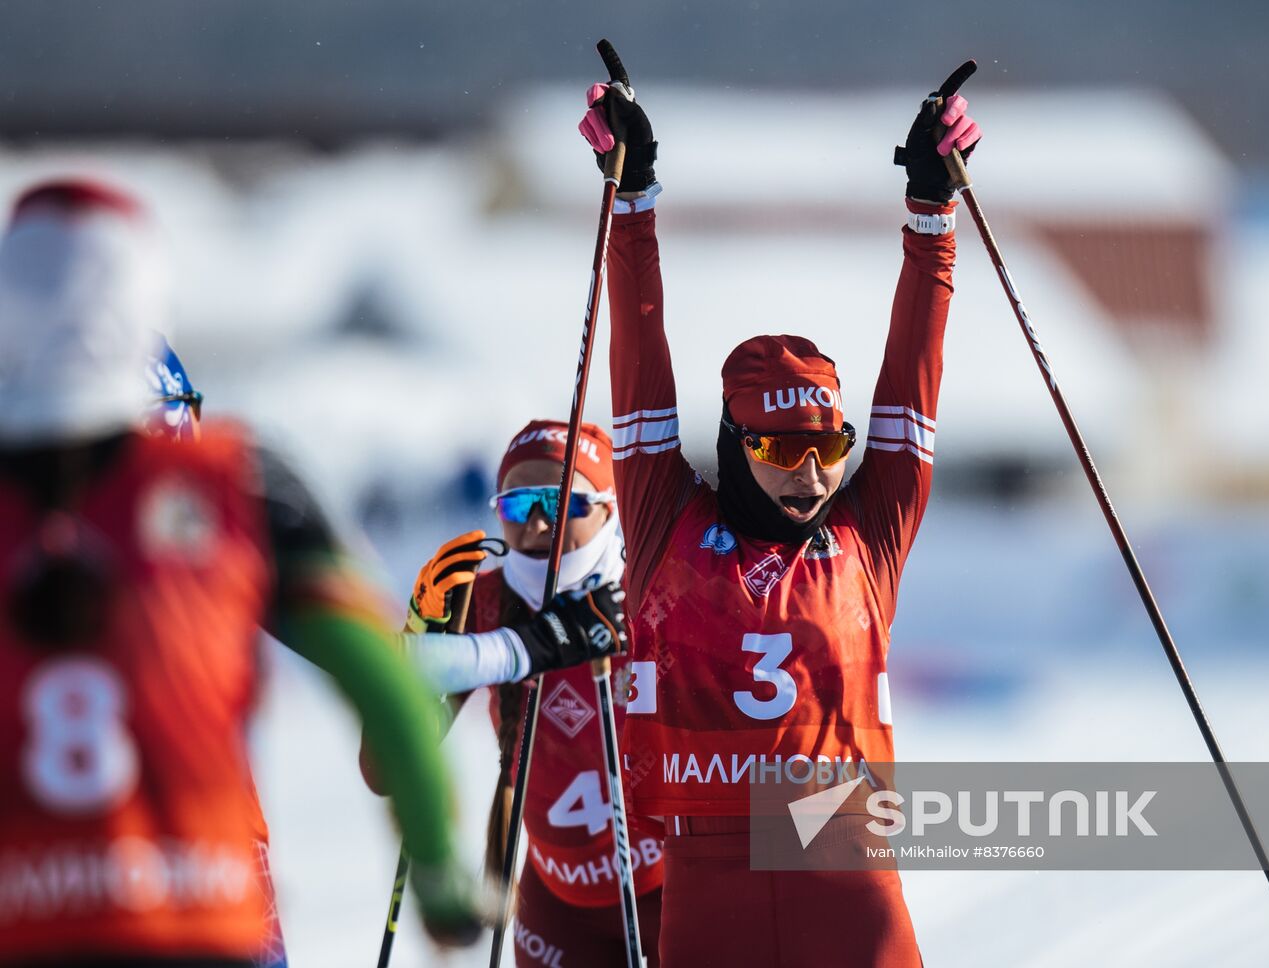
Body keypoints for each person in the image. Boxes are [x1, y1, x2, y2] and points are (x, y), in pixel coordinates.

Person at [0, 179, 482, 967]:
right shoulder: (234, 480)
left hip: (29, 913)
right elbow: (387, 687)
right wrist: (435, 864)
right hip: (206, 901)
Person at [579, 74, 982, 966]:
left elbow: (913, 375)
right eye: (775, 452)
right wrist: (633, 197)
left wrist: (930, 213)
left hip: (847, 865)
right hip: (709, 882)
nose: (808, 478)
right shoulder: (663, 525)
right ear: (730, 447)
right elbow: (640, 361)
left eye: (825, 450)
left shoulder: (866, 538)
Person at [377, 419, 664, 968]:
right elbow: (383, 767)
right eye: (516, 506)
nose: (537, 524)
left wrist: (832, 860)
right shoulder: (484, 602)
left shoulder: (661, 590)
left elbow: (777, 746)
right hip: (556, 906)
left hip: (672, 893)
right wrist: (421, 629)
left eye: (562, 506)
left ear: (610, 506)